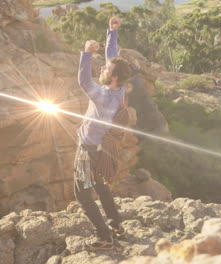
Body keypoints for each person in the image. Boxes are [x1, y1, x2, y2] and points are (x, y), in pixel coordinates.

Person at [74, 17, 132, 250]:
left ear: (114, 77)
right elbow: (112, 59)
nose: (103, 67)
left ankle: (104, 237)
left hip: (88, 151)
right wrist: (112, 32)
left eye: (106, 69)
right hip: (99, 149)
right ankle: (116, 224)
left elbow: (83, 81)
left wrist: (87, 53)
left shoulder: (103, 96)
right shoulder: (120, 90)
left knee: (82, 194)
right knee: (99, 185)